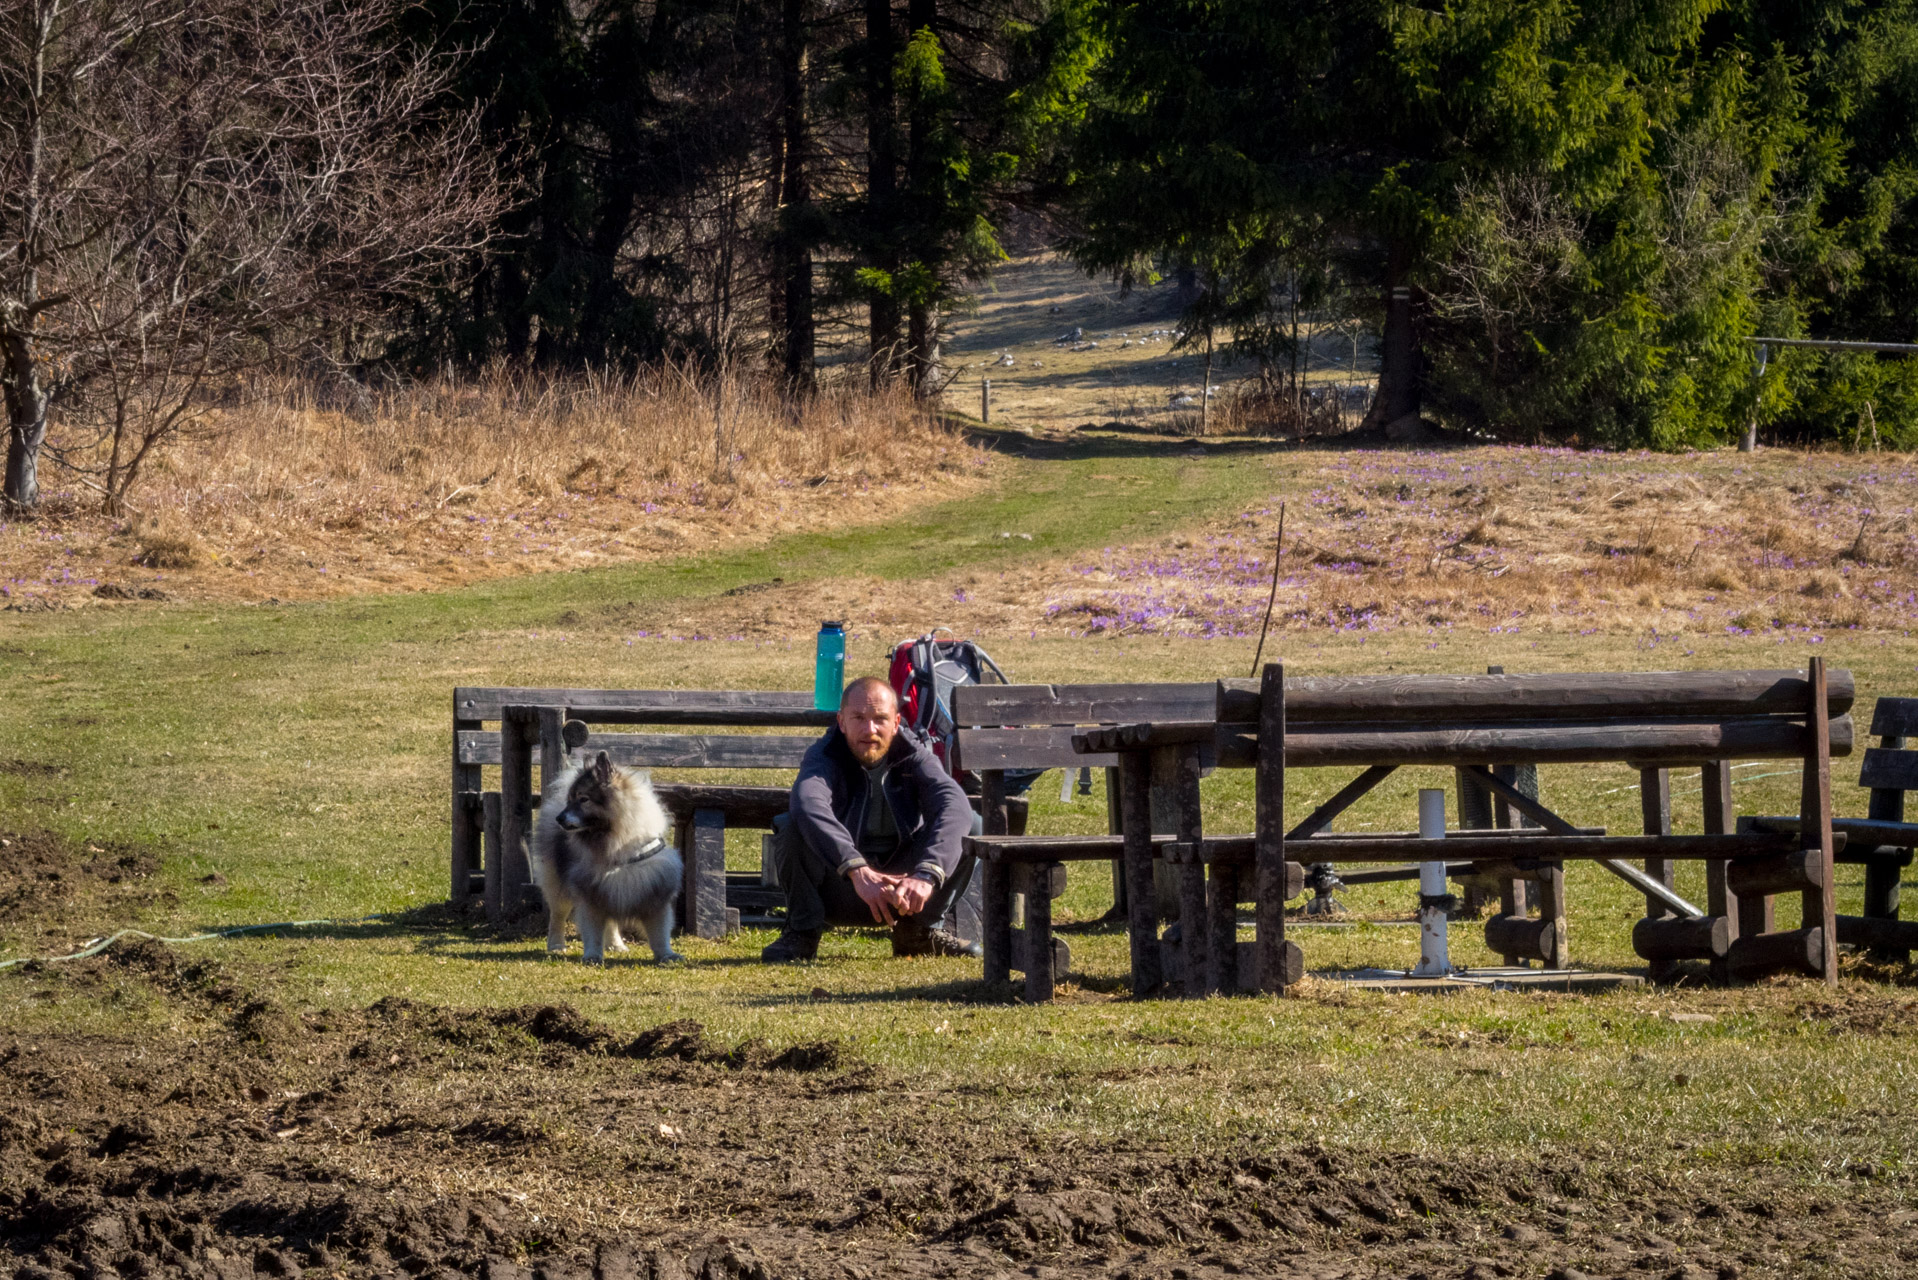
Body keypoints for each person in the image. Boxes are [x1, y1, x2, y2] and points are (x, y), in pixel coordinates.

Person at [762, 675, 981, 962]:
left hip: (905, 893)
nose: (870, 729)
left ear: (896, 722)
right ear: (841, 721)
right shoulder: (824, 756)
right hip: (843, 888)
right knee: (793, 825)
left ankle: (918, 933)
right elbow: (807, 803)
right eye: (858, 718)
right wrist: (855, 868)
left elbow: (954, 804)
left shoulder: (916, 756)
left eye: (880, 718)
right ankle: (802, 934)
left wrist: (926, 874)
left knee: (973, 826)